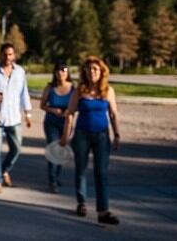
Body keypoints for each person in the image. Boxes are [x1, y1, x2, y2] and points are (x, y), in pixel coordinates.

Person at [60, 56, 120, 225]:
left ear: (102, 72)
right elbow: (70, 114)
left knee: (101, 173)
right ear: (85, 72)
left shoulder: (108, 91)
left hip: (101, 135)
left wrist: (116, 135)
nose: (92, 72)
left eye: (96, 69)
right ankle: (82, 203)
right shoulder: (79, 91)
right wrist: (65, 136)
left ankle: (103, 210)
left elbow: (114, 114)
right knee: (81, 170)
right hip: (82, 135)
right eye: (89, 69)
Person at [0, 43, 32, 193]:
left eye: (10, 54)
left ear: (14, 55)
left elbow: (24, 93)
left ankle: (4, 170)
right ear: (0, 55)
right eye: (4, 54)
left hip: (14, 118)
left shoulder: (20, 72)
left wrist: (28, 113)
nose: (7, 57)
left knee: (16, 149)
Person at [39, 61, 74, 193]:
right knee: (53, 148)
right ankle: (52, 180)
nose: (61, 73)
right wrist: (53, 110)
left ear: (68, 72)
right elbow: (42, 105)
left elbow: (77, 105)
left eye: (64, 70)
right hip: (51, 122)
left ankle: (57, 175)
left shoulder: (73, 88)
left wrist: (69, 112)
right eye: (58, 70)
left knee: (62, 149)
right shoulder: (50, 88)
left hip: (66, 122)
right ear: (55, 73)